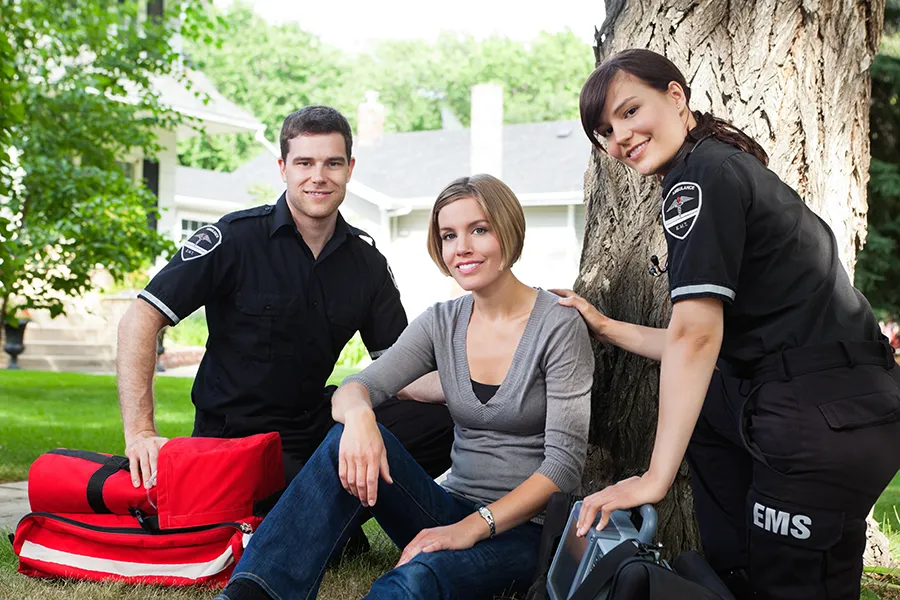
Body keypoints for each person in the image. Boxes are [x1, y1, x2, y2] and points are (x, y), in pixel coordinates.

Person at [554, 49, 900, 600]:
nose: (619, 136)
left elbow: (696, 337)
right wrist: (605, 326)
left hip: (822, 418)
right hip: (813, 400)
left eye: (629, 111)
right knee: (737, 570)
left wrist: (653, 479)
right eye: (603, 130)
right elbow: (700, 343)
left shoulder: (699, 179)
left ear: (676, 96)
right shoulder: (710, 168)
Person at [214, 173, 594, 600]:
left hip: (526, 532)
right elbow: (358, 385)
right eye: (449, 235)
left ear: (508, 230)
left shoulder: (558, 325)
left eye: (479, 230)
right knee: (344, 440)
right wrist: (360, 420)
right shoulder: (443, 321)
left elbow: (562, 468)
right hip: (446, 506)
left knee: (419, 576)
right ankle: (253, 592)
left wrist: (469, 529)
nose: (462, 247)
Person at [116, 106, 454, 550]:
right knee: (299, 509)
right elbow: (141, 317)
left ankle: (324, 521)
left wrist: (485, 387)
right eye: (304, 163)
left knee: (444, 418)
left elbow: (398, 371)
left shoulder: (366, 264)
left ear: (350, 169)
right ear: (283, 168)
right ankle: (322, 524)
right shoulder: (234, 240)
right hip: (236, 440)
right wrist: (140, 431)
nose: (319, 176)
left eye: (333, 163)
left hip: (315, 424)